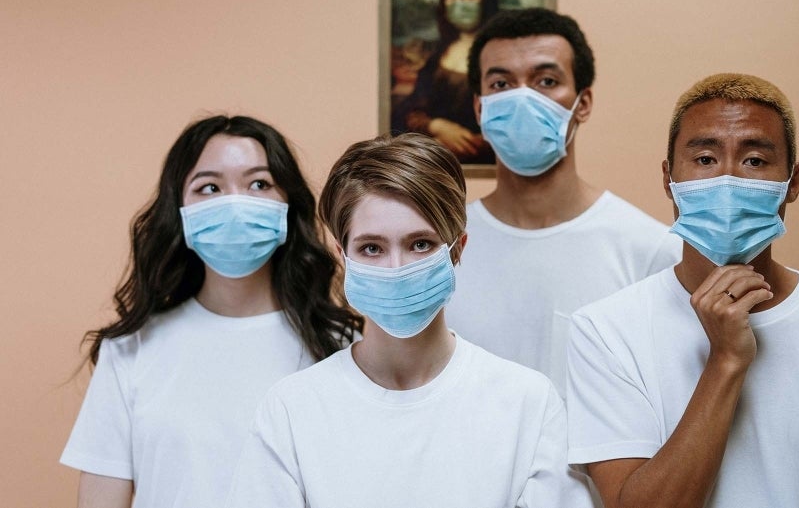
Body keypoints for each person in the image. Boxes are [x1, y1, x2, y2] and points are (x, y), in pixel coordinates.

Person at [566, 73, 799, 508]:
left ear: (793, 182)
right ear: (669, 178)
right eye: (706, 159)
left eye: (754, 161)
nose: (727, 180)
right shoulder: (607, 331)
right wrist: (726, 361)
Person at [225, 133, 592, 508]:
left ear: (457, 249)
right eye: (372, 248)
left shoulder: (527, 405)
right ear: (342, 254)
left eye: (421, 244)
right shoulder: (292, 411)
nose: (396, 268)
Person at [60, 115, 362, 508]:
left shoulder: (342, 348)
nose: (234, 202)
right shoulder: (131, 349)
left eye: (259, 183)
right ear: (180, 209)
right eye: (209, 187)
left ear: (289, 204)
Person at [444, 8, 681, 392]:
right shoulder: (439, 251)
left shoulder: (651, 251)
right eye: (502, 84)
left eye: (546, 80)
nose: (523, 98)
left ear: (582, 103)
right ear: (479, 107)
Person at [391, 0, 499, 164]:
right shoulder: (438, 55)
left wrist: (460, 144)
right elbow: (409, 110)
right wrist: (436, 126)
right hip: (433, 164)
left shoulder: (503, 56)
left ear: (486, 0)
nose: (460, 4)